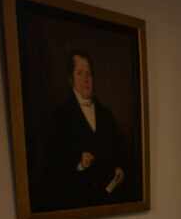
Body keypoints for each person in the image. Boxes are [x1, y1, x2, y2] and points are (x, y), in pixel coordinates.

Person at [44, 50, 128, 210]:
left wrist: (120, 168)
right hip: (77, 203)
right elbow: (52, 163)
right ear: (71, 79)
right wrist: (78, 163)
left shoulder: (106, 114)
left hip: (109, 202)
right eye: (80, 73)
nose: (86, 79)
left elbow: (120, 149)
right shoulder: (60, 115)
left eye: (89, 73)